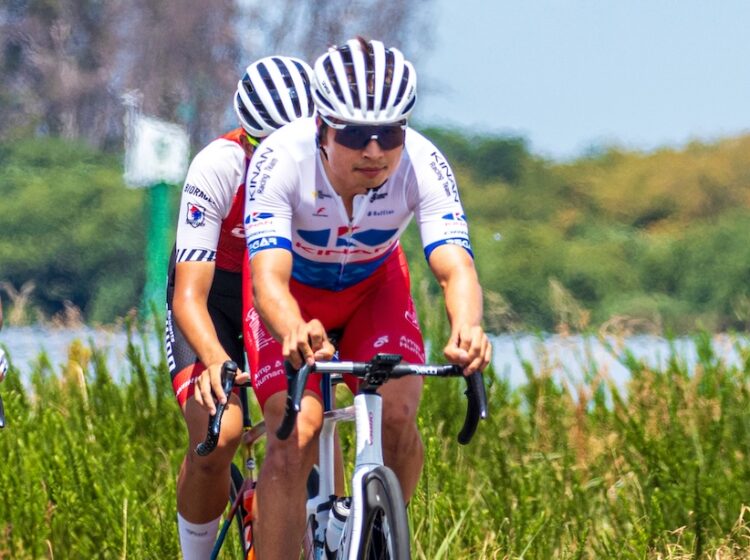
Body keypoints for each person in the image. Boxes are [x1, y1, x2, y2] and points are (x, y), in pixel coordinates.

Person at [242, 37, 492, 558]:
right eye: (356, 135)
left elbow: (456, 267)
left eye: (390, 133)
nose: (375, 151)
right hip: (291, 298)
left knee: (398, 414)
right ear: (322, 128)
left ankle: (378, 538)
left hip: (373, 290)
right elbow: (268, 280)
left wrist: (468, 327)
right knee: (295, 436)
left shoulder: (423, 162)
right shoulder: (279, 158)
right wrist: (292, 327)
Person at [165, 55, 314, 560]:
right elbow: (189, 295)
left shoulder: (325, 168)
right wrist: (214, 359)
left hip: (280, 293)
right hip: (215, 300)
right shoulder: (218, 165)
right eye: (264, 145)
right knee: (219, 434)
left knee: (307, 423)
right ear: (247, 136)